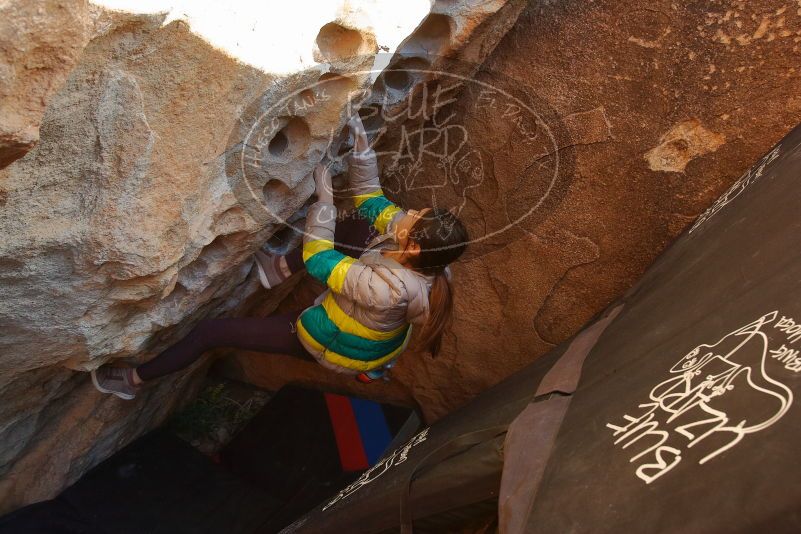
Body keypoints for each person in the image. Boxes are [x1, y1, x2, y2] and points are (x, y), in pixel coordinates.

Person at [91, 115, 468, 400]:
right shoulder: (423, 259)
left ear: (413, 246)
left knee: (211, 333)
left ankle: (132, 381)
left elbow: (321, 261)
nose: (409, 213)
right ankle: (280, 271)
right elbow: (371, 200)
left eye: (415, 218)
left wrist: (324, 204)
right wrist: (362, 146)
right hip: (373, 320)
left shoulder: (389, 290)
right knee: (364, 227)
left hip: (330, 340)